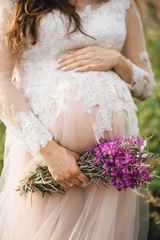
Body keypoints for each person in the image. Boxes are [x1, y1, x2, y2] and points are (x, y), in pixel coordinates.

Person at [0, 0, 155, 239]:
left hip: (115, 160)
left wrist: (117, 60)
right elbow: (1, 80)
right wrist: (48, 151)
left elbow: (146, 88)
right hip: (46, 155)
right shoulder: (15, 3)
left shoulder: (122, 4)